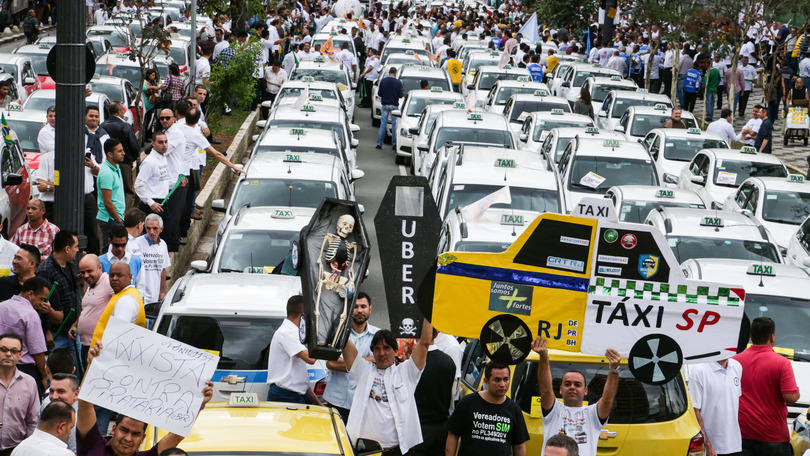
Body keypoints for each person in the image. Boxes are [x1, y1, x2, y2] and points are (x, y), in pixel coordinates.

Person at [77, 342, 214, 456]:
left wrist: (198, 403)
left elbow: (177, 435)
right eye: (124, 430)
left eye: (136, 434)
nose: (128, 438)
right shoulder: (92, 444)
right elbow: (84, 404)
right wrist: (93, 364)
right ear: (113, 429)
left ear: (143, 438)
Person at [342, 320, 432, 455]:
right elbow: (343, 341)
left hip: (397, 451)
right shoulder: (363, 370)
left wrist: (428, 312)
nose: (382, 353)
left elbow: (424, 343)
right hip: (366, 451)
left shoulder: (407, 372)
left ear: (395, 350)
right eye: (377, 349)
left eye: (386, 347)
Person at [533, 335, 621, 456]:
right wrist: (544, 358)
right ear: (560, 390)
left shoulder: (593, 414)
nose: (572, 387)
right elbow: (546, 390)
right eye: (567, 384)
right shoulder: (554, 410)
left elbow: (607, 399)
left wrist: (614, 370)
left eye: (577, 384)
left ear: (585, 391)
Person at [733, 317, 799, 455]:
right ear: (772, 337)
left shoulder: (735, 361)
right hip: (773, 436)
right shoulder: (782, 363)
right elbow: (791, 396)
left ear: (751, 336)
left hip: (741, 433)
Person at [445, 361, 529, 456]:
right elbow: (453, 435)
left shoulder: (514, 409)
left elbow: (519, 446)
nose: (502, 384)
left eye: (506, 379)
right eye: (497, 380)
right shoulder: (468, 403)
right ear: (486, 381)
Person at [323, 292, 379, 423]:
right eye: (355, 306)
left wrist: (347, 363)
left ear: (370, 309)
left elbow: (380, 364)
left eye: (363, 306)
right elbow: (331, 363)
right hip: (336, 402)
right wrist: (369, 361)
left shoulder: (378, 335)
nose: (359, 310)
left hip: (363, 404)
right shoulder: (336, 334)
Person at [266, 295, 322, 404]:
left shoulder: (294, 333)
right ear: (303, 316)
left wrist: (318, 404)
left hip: (295, 394)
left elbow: (300, 378)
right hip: (285, 396)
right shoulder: (287, 332)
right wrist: (324, 340)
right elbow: (310, 359)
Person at [408, 328, 456, 456]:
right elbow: (453, 394)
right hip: (440, 429)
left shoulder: (411, 362)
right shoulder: (448, 362)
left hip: (415, 428)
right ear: (437, 333)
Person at [36, 230, 80, 356]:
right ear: (67, 249)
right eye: (76, 246)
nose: (77, 250)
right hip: (56, 335)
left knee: (75, 370)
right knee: (56, 372)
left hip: (72, 330)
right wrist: (46, 331)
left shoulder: (70, 265)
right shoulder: (45, 270)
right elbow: (39, 304)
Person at [0, 277, 49, 390]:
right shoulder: (31, 314)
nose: (42, 304)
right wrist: (43, 377)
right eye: (41, 299)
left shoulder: (2, 306)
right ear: (30, 294)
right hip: (24, 369)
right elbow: (38, 351)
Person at [688, 357, 742, 456]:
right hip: (712, 449)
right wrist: (708, 445)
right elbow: (695, 411)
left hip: (735, 445)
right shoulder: (698, 371)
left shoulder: (737, 366)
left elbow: (733, 402)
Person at [0, 333, 40, 456]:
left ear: (20, 355)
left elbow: (33, 420)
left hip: (17, 449)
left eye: (13, 351)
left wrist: (27, 449)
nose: (8, 354)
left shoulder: (29, 383)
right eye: (3, 349)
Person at [130, 214, 170, 326]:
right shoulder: (137, 243)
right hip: (140, 299)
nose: (151, 232)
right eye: (148, 228)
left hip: (154, 300)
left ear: (161, 229)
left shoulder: (163, 245)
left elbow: (163, 270)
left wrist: (162, 292)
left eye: (155, 228)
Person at [73, 254, 113, 363]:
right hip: (86, 345)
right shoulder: (91, 285)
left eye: (89, 271)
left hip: (98, 347)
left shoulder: (108, 282)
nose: (85, 275)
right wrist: (75, 326)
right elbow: (87, 310)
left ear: (99, 268)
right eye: (82, 272)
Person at [101, 103, 140, 208]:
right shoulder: (125, 126)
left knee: (110, 189)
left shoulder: (103, 125)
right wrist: (134, 157)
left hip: (107, 162)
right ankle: (123, 215)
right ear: (119, 112)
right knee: (127, 190)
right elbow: (134, 145)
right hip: (124, 163)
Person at [97, 139, 126, 250]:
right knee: (109, 252)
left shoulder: (116, 167)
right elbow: (107, 202)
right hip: (110, 220)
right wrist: (118, 219)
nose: (123, 153)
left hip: (116, 217)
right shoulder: (106, 173)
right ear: (110, 154)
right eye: (119, 151)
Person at [135, 132, 172, 217]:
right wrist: (151, 203)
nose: (164, 145)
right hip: (153, 204)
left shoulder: (163, 157)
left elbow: (163, 181)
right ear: (153, 143)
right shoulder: (149, 162)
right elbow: (138, 185)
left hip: (163, 201)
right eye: (160, 142)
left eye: (166, 142)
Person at [377, 67, 404, 150]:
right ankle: (394, 144)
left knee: (383, 124)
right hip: (394, 105)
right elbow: (401, 95)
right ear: (395, 73)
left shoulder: (383, 81)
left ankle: (379, 144)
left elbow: (380, 93)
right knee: (394, 125)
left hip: (385, 105)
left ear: (389, 72)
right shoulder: (398, 82)